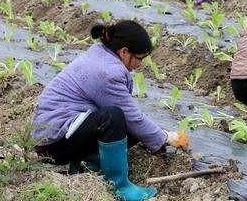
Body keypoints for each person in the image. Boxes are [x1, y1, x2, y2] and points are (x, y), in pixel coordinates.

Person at [32, 21, 189, 201]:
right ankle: (119, 186)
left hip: (67, 131)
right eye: (140, 58)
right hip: (53, 142)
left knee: (131, 126)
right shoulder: (107, 72)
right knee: (113, 117)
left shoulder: (102, 55)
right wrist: (167, 138)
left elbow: (133, 119)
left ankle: (86, 165)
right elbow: (132, 118)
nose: (140, 64)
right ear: (124, 52)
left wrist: (158, 135)